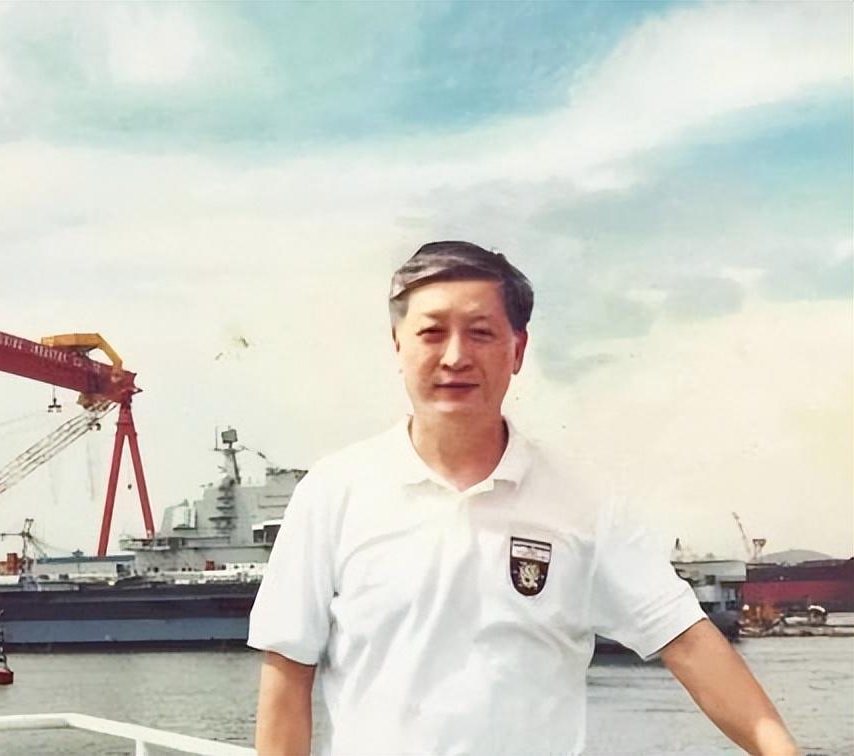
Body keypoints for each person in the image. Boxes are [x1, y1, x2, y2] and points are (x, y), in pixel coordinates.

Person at [247, 241, 796, 755]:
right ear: (398, 345)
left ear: (518, 349)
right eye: (432, 333)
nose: (455, 356)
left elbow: (689, 643)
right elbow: (288, 671)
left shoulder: (584, 498)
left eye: (481, 333)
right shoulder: (334, 490)